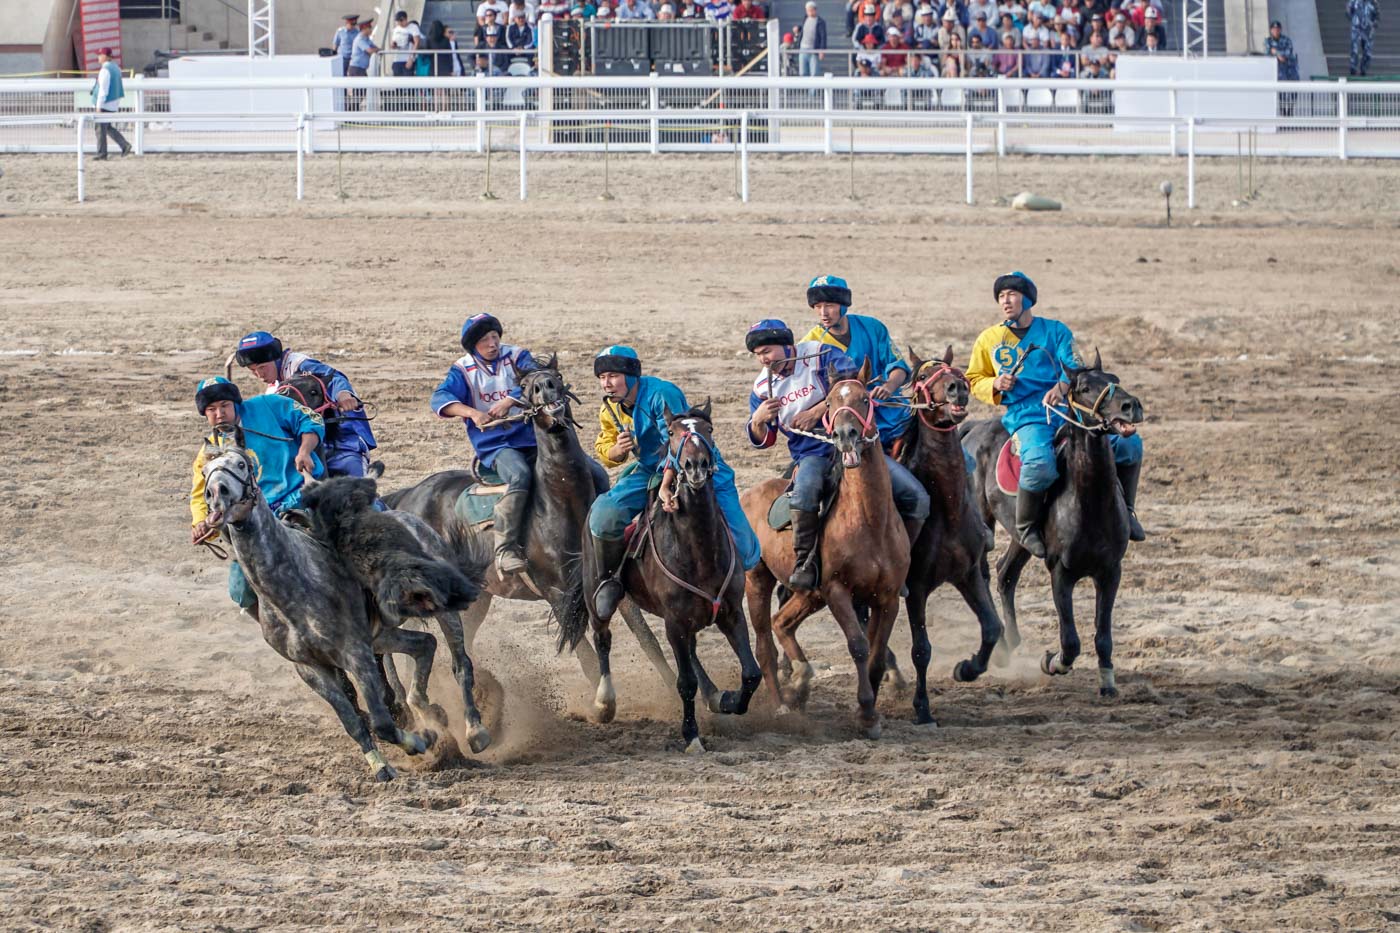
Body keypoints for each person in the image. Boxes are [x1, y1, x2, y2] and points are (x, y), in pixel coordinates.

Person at [965, 272, 1145, 557]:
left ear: (1027, 299)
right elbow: (974, 379)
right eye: (1001, 297)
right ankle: (1025, 528)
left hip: (1068, 410)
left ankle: (1128, 512)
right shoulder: (988, 339)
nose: (1005, 301)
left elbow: (1074, 365)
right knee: (1039, 464)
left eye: (1011, 294)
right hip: (1026, 416)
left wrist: (1061, 387)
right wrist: (996, 384)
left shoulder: (1056, 330)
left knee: (1129, 445)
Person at [745, 320, 927, 591]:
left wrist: (817, 411)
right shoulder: (762, 387)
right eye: (758, 354)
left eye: (768, 351)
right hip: (811, 454)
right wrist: (758, 421)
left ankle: (899, 564)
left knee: (916, 497)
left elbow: (850, 386)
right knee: (805, 495)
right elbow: (766, 440)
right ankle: (806, 563)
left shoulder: (820, 354)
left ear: (787, 345)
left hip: (856, 447)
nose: (764, 359)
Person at [587, 346, 761, 620]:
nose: (607, 383)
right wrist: (616, 452)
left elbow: (683, 440)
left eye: (613, 375)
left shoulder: (662, 394)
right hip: (648, 470)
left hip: (697, 467)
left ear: (631, 375)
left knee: (746, 551)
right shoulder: (609, 408)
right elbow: (604, 443)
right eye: (602, 377)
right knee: (602, 516)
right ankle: (610, 579)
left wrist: (667, 483)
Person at [431, 314, 607, 574]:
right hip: (497, 445)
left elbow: (535, 377)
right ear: (473, 346)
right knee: (520, 476)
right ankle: (506, 548)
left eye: (494, 337)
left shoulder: (516, 355)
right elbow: (440, 398)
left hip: (533, 438)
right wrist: (472, 413)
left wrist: (510, 401)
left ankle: (605, 536)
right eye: (484, 340)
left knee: (595, 471)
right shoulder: (462, 370)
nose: (492, 343)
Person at [188, 377, 325, 617]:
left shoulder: (268, 405)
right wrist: (200, 522)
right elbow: (201, 494)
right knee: (240, 591)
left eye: (224, 406)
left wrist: (304, 451)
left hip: (302, 497)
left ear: (235, 404)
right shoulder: (210, 454)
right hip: (259, 522)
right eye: (211, 410)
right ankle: (279, 629)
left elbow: (311, 419)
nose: (219, 414)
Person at [233, 331, 377, 478]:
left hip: (342, 440)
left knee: (358, 487)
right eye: (253, 370)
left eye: (263, 367)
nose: (259, 374)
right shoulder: (272, 391)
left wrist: (343, 395)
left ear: (275, 358)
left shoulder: (298, 364)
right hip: (310, 448)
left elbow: (333, 377)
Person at [89, 48, 131, 161]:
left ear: (106, 56)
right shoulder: (116, 68)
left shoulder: (105, 70)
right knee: (107, 128)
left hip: (105, 104)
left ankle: (102, 154)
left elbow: (103, 90)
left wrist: (99, 106)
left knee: (100, 129)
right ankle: (124, 145)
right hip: (113, 103)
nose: (98, 57)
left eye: (100, 55)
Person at [347, 17, 378, 111]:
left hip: (361, 69)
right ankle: (351, 115)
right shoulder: (360, 39)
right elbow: (369, 50)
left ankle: (353, 114)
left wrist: (376, 49)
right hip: (356, 69)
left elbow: (375, 47)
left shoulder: (366, 39)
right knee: (358, 93)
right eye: (369, 28)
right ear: (364, 29)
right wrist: (375, 50)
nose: (371, 29)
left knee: (361, 91)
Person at [1348, 0, 1379, 76]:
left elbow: (1377, 15)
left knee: (1367, 53)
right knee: (1354, 49)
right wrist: (1354, 20)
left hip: (1368, 30)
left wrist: (1374, 22)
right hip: (1356, 29)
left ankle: (1363, 69)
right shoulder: (1354, 1)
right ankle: (1353, 68)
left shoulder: (1373, 3)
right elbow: (1348, 10)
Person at [799, 2, 829, 77]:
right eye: (808, 10)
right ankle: (804, 88)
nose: (809, 12)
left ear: (815, 10)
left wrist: (822, 50)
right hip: (803, 48)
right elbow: (803, 29)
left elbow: (823, 37)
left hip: (814, 50)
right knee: (803, 72)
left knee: (814, 72)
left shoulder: (820, 22)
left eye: (811, 10)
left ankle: (814, 89)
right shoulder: (805, 18)